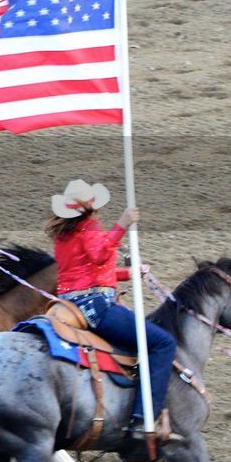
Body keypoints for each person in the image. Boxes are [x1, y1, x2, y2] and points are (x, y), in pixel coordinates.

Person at [47, 178, 176, 442]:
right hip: (97, 305)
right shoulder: (90, 226)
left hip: (72, 304)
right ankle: (142, 418)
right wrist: (123, 224)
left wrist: (128, 274)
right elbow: (99, 256)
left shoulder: (65, 234)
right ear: (91, 207)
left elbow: (90, 271)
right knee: (163, 343)